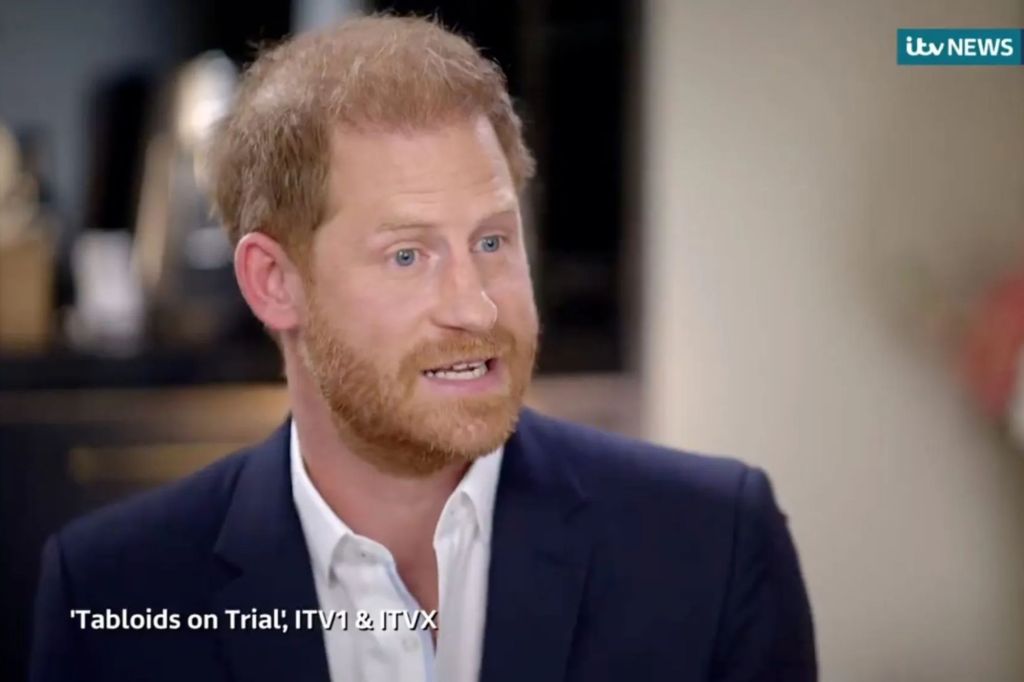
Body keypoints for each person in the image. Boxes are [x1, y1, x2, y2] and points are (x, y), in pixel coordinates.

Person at [30, 15, 816, 682]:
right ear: (274, 282)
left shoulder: (713, 548)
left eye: (493, 241)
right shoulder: (111, 591)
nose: (475, 306)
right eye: (408, 255)